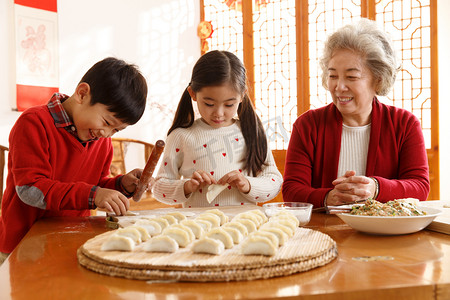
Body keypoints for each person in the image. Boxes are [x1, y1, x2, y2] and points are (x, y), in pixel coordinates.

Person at [0, 57, 149, 262]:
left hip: (72, 241)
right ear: (82, 94)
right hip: (24, 246)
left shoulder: (101, 141)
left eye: (116, 130)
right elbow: (31, 190)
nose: (107, 134)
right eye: (106, 122)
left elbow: (95, 185)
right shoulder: (34, 123)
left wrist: (121, 185)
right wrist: (94, 194)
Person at [282, 19, 430, 209]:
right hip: (322, 233)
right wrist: (328, 197)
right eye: (333, 75)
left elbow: (420, 187)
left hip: (384, 233)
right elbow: (292, 190)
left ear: (378, 80)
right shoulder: (307, 125)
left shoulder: (404, 124)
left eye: (351, 77)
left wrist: (375, 188)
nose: (339, 87)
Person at [153, 50, 283, 207]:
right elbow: (158, 187)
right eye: (209, 104)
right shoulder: (181, 136)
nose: (219, 113)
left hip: (245, 228)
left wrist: (247, 184)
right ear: (193, 93)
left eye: (229, 104)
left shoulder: (251, 132)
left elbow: (274, 181)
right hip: (198, 228)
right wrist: (187, 186)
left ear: (242, 96)